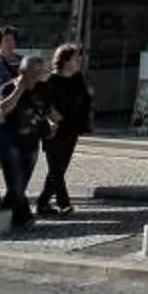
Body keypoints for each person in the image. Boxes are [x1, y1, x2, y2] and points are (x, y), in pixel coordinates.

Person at [33, 43, 93, 216]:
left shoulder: (77, 79)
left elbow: (85, 99)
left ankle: (43, 203)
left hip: (72, 128)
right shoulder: (50, 81)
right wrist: (52, 114)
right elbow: (42, 102)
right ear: (65, 60)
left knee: (59, 168)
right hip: (55, 129)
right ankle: (63, 202)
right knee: (56, 168)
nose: (79, 61)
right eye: (75, 58)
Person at [0, 55, 46, 230]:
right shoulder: (8, 87)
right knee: (15, 182)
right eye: (33, 73)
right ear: (22, 72)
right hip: (11, 143)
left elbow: (44, 110)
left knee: (20, 184)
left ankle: (5, 214)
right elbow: (3, 110)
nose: (37, 77)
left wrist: (51, 123)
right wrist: (19, 90)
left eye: (40, 73)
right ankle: (24, 217)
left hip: (31, 143)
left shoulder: (41, 89)